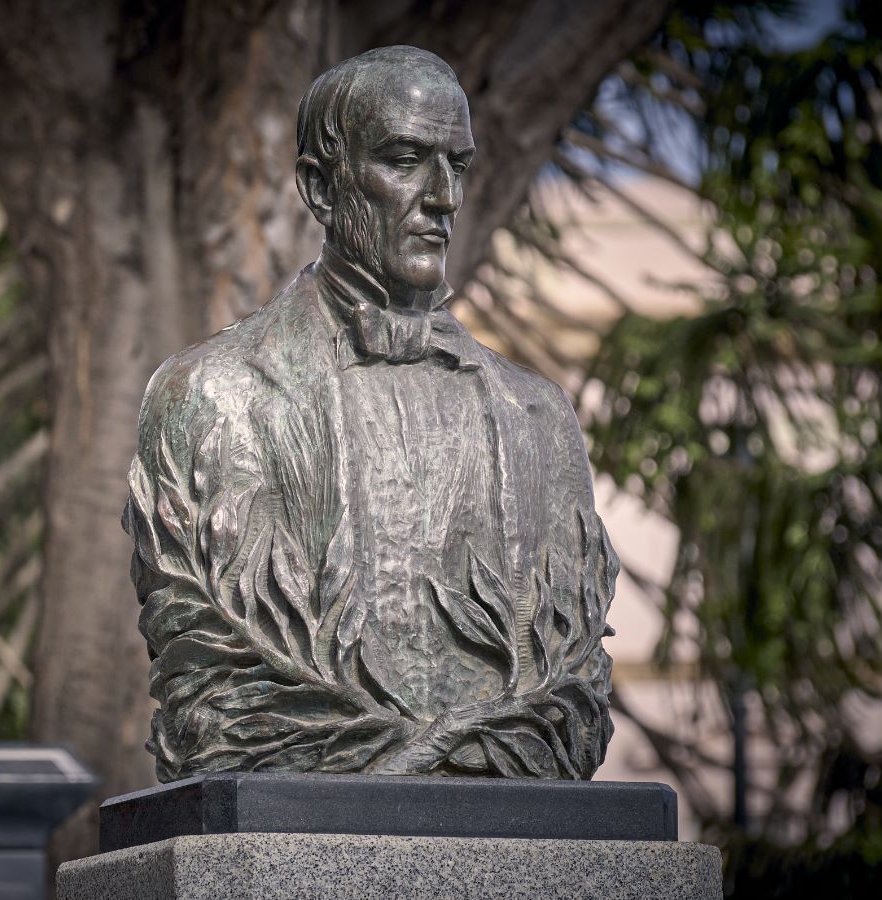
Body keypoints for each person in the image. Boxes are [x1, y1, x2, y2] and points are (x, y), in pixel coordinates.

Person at [124, 45, 618, 781]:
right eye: (405, 159)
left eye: (457, 163)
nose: (443, 195)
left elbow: (570, 697)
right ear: (321, 188)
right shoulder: (209, 398)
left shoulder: (538, 416)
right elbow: (219, 704)